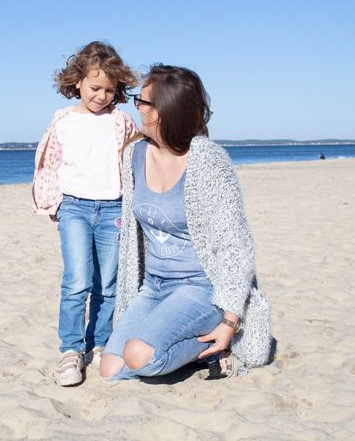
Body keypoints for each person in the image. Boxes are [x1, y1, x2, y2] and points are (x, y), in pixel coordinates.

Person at [99, 64, 272, 381]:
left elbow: (236, 246)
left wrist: (230, 321)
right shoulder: (134, 155)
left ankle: (220, 349)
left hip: (201, 289)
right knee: (110, 370)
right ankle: (183, 352)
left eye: (143, 101)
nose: (136, 105)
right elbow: (132, 237)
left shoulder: (206, 161)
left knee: (140, 356)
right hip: (153, 286)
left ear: (164, 111)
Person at [32, 41, 139, 386]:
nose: (101, 96)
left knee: (107, 284)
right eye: (95, 87)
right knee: (77, 281)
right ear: (77, 82)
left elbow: (135, 160)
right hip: (75, 208)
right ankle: (71, 351)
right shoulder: (63, 120)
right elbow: (49, 162)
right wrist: (53, 205)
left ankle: (102, 343)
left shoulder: (121, 122)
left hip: (113, 209)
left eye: (109, 90)